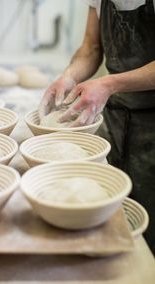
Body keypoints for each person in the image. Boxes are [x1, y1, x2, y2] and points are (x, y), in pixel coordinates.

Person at [39, 0, 155, 254]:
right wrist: (69, 75)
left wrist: (109, 84)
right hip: (116, 120)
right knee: (112, 213)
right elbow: (91, 48)